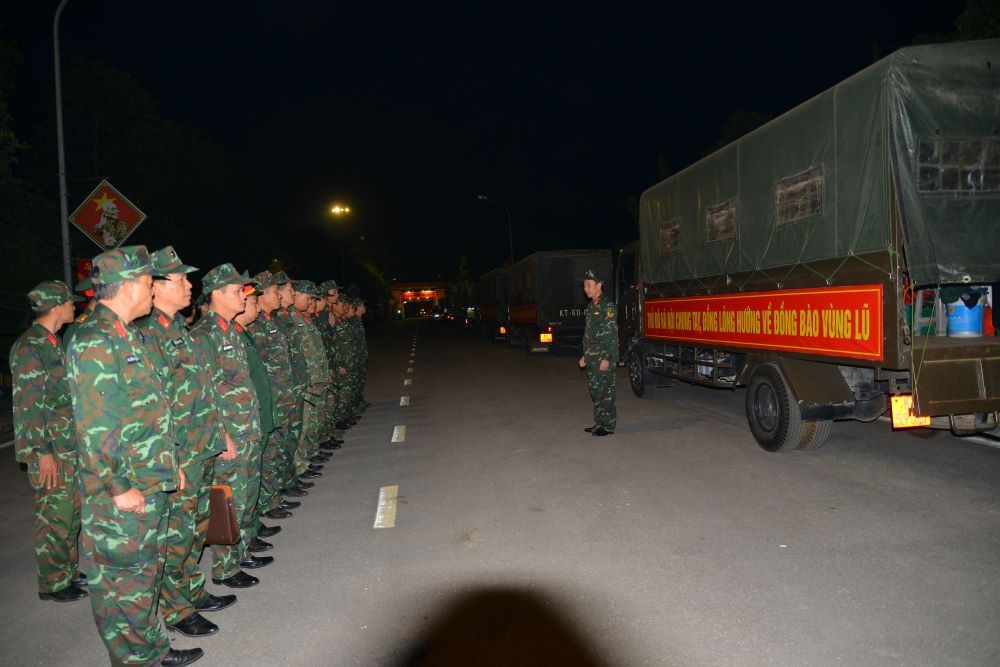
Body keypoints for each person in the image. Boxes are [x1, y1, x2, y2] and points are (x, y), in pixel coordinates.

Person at [66, 246, 202, 667]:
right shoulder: (94, 340)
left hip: (150, 476)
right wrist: (118, 486)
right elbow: (96, 426)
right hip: (122, 491)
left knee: (145, 576)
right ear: (127, 287)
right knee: (123, 585)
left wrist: (170, 462)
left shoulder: (127, 334)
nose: (151, 288)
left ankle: (150, 650)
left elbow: (147, 411)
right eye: (147, 282)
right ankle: (137, 659)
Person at [138, 247, 234, 639]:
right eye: (180, 279)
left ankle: (190, 590)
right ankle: (176, 609)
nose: (189, 285)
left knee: (195, 527)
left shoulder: (176, 327)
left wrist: (218, 432)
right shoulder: (148, 334)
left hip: (199, 446)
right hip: (179, 452)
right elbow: (152, 404)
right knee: (175, 535)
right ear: (156, 287)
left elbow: (199, 389)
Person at [9, 280, 88, 603]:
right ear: (57, 307)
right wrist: (42, 453)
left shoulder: (52, 342)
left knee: (69, 513)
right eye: (70, 302)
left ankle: (66, 570)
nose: (74, 306)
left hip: (66, 446)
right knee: (54, 516)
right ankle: (52, 583)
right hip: (50, 449)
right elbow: (28, 406)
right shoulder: (31, 347)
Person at [189, 263, 266, 589]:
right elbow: (203, 393)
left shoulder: (228, 331)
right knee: (228, 504)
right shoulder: (205, 336)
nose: (244, 296)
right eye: (237, 291)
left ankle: (241, 552)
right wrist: (221, 438)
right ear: (218, 294)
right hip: (230, 436)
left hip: (246, 430)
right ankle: (225, 569)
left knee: (246, 498)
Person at [579, 269, 618, 436]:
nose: (586, 289)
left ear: (599, 285)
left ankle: (608, 426)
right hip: (592, 356)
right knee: (595, 392)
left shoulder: (607, 306)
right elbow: (590, 335)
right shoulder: (591, 306)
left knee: (605, 392)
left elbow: (611, 335)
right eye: (584, 286)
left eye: (589, 285)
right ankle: (599, 422)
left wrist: (607, 358)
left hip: (603, 356)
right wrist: (585, 355)